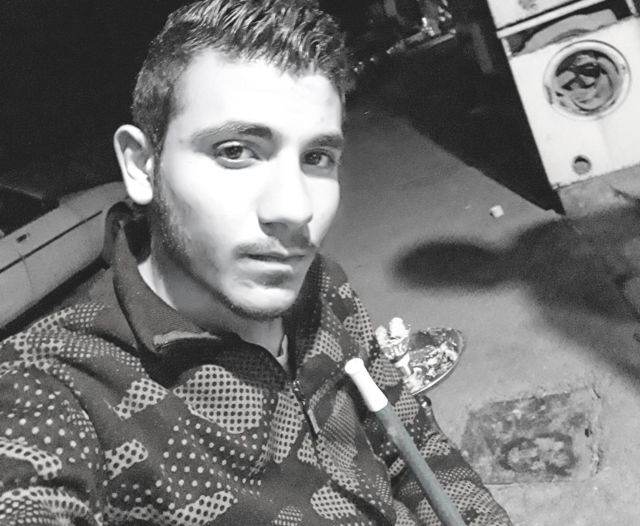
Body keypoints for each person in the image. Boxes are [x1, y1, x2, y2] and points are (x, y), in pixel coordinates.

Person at [0, 0, 512, 524]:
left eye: (316, 157)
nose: (294, 208)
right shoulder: (58, 386)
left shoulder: (321, 287)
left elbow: (409, 440)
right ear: (142, 166)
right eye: (235, 151)